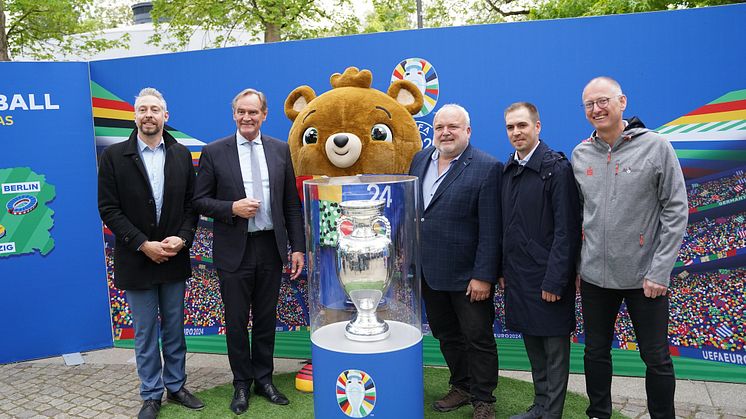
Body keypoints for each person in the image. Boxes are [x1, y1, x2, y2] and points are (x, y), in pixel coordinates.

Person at [572, 77, 688, 419]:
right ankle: (598, 413)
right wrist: (580, 266)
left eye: (603, 100)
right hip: (595, 277)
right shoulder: (581, 154)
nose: (597, 109)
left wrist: (660, 270)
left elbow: (676, 208)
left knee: (656, 357)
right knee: (594, 353)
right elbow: (578, 216)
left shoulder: (656, 146)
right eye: (590, 104)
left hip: (645, 278)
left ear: (622, 101)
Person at [193, 88, 305, 415]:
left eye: (253, 112)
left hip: (270, 247)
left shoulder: (281, 150)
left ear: (264, 115)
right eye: (241, 112)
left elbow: (291, 206)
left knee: (267, 318)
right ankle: (241, 383)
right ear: (234, 114)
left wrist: (297, 247)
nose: (247, 117)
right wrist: (232, 207)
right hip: (234, 250)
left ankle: (264, 379)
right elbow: (199, 201)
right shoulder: (215, 152)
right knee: (237, 320)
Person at [98, 87, 204, 419]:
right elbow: (108, 209)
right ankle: (150, 393)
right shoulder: (114, 156)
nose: (148, 115)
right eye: (142, 109)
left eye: (154, 109)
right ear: (135, 115)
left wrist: (183, 239)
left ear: (165, 116)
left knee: (174, 328)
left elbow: (191, 206)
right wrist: (143, 244)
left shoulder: (181, 155)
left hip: (174, 257)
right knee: (145, 332)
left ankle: (176, 386)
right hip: (136, 258)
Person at [409, 104, 501, 419]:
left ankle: (484, 399)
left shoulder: (487, 167)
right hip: (429, 272)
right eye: (439, 127)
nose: (445, 132)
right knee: (446, 334)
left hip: (468, 276)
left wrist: (484, 276)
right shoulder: (420, 160)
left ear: (468, 131)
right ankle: (461, 386)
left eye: (453, 127)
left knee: (478, 338)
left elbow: (492, 230)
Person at [499, 102, 582, 419]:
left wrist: (555, 280)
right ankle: (540, 406)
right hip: (519, 278)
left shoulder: (556, 168)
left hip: (548, 278)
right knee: (533, 346)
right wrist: (502, 271)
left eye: (522, 125)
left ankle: (552, 413)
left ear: (537, 127)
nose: (516, 132)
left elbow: (567, 230)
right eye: (510, 127)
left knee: (554, 353)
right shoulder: (509, 169)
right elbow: (507, 227)